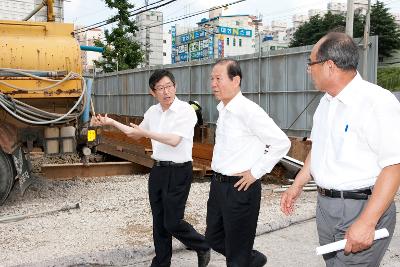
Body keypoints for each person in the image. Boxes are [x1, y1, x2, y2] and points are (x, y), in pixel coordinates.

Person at [280, 32, 400, 266]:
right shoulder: (326, 102)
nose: (308, 70)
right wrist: (296, 185)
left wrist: (367, 222)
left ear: (329, 66)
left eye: (310, 63)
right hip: (326, 207)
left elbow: (394, 165)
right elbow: (319, 150)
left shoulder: (377, 102)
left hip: (361, 207)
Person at [91, 69, 210, 267]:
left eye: (169, 87)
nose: (166, 92)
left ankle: (202, 244)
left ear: (175, 87)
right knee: (159, 221)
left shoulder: (185, 111)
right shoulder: (153, 112)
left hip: (180, 170)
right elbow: (135, 134)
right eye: (160, 88)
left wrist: (147, 132)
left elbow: (174, 140)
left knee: (172, 222)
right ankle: (161, 263)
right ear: (152, 92)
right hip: (158, 170)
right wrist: (110, 122)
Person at [206, 59, 291, 267]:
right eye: (212, 79)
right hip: (218, 186)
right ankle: (251, 259)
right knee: (213, 238)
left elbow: (281, 142)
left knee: (236, 256)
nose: (213, 84)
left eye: (218, 79)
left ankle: (244, 258)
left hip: (240, 188)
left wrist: (255, 173)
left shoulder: (249, 110)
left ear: (236, 80)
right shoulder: (224, 110)